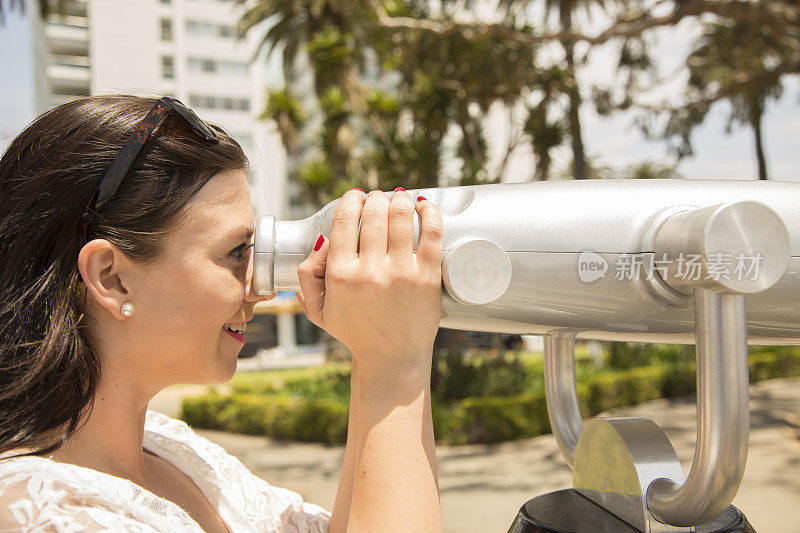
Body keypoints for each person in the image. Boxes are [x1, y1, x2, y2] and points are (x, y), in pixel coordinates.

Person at [0, 95, 443, 532]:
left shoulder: (172, 449)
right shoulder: (40, 510)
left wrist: (374, 354)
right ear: (111, 278)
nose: (260, 289)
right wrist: (396, 363)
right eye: (236, 252)